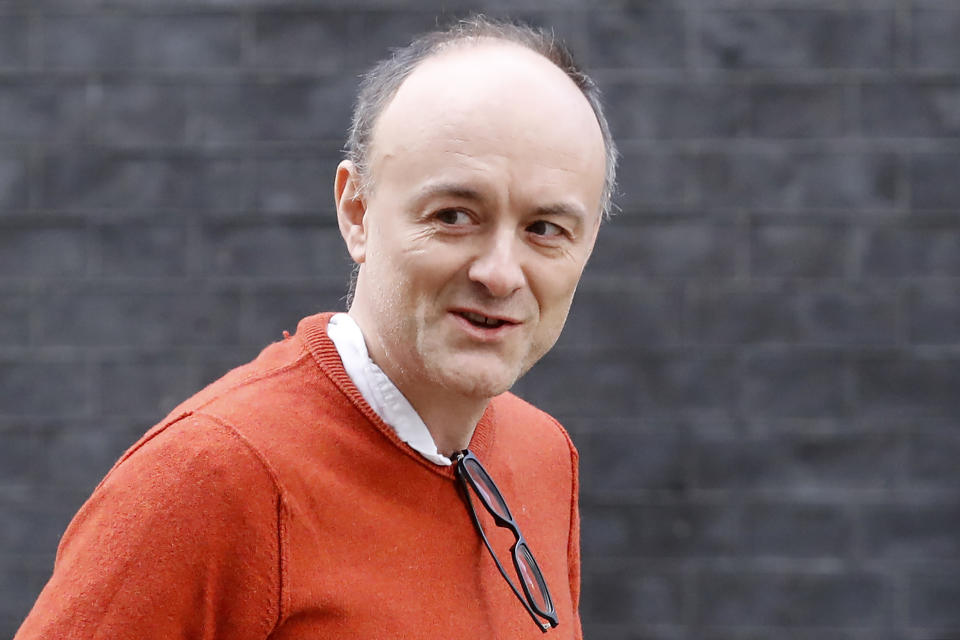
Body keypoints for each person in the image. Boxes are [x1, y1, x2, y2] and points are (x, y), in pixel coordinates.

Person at [15, 15, 617, 640]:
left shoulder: (543, 454)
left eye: (545, 229)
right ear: (356, 212)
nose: (499, 273)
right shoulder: (210, 478)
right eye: (454, 215)